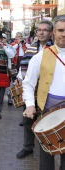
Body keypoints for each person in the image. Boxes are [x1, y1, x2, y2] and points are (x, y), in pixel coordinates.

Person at [22, 14, 65, 169]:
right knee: (47, 156)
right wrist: (30, 105)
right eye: (60, 30)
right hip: (48, 112)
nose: (64, 34)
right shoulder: (41, 56)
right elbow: (28, 83)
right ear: (53, 32)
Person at [16, 19, 54, 159]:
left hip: (47, 91)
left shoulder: (55, 49)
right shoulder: (31, 48)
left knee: (46, 120)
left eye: (45, 30)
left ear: (51, 33)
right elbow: (23, 66)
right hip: (31, 91)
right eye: (39, 30)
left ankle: (47, 146)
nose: (41, 32)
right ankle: (28, 147)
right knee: (28, 120)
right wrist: (19, 78)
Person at [0, 30, 16, 119]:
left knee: (1, 95)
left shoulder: (7, 47)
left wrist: (4, 47)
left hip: (2, 74)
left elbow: (12, 55)